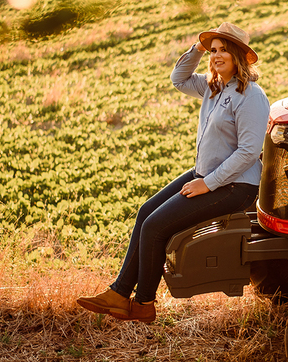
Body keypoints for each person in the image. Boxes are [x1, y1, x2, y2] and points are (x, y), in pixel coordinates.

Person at [77, 22, 270, 323]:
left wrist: (207, 184)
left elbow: (247, 153)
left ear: (239, 56)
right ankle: (119, 293)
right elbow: (178, 78)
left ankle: (143, 303)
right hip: (204, 174)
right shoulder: (213, 87)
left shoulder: (251, 97)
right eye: (214, 49)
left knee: (156, 227)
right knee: (145, 212)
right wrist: (197, 48)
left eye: (224, 50)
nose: (217, 55)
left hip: (234, 185)